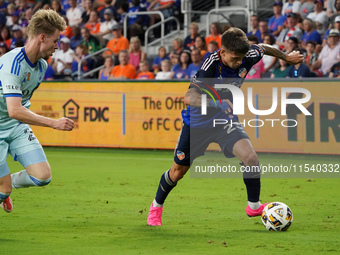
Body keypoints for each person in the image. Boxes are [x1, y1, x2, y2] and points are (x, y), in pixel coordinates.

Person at [146, 27, 304, 226]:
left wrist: (286, 57)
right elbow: (189, 97)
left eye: (241, 58)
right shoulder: (211, 63)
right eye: (234, 58)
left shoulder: (248, 55)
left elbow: (263, 47)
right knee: (177, 172)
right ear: (223, 52)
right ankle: (156, 207)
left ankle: (254, 207)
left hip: (224, 120)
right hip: (198, 124)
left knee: (251, 158)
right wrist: (215, 103)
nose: (239, 63)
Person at [0, 9, 74, 213]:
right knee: (3, 190)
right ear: (42, 37)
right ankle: (3, 187)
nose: (57, 46)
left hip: (15, 127)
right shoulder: (12, 65)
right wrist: (53, 123)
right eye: (55, 40)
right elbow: (14, 110)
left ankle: (5, 184)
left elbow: (20, 107)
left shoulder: (41, 66)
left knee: (42, 177)